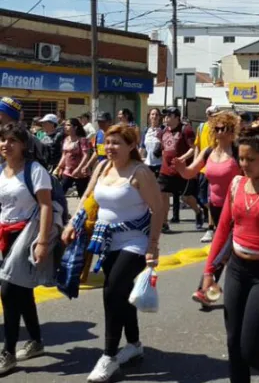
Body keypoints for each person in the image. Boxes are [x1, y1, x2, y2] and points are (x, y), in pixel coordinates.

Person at [61, 125, 164, 382]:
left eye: (117, 143)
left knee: (111, 291)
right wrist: (73, 222)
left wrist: (152, 245)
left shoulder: (140, 172)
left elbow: (159, 208)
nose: (110, 148)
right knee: (122, 294)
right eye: (108, 142)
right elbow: (87, 196)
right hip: (106, 242)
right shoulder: (103, 166)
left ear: (131, 146)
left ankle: (108, 356)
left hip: (135, 242)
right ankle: (134, 344)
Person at [202, 124, 259, 383]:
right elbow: (222, 230)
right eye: (241, 158)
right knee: (234, 345)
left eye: (250, 159)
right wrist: (209, 271)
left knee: (250, 349)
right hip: (236, 269)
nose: (244, 164)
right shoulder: (236, 184)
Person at [0, 124, 60, 375]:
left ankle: (9, 353)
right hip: (5, 236)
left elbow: (46, 206)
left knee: (8, 290)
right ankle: (36, 341)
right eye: (2, 140)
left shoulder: (35, 171)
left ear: (24, 145)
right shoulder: (2, 171)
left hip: (28, 236)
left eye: (12, 140)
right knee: (22, 292)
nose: (6, 144)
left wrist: (43, 242)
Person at [174, 111, 241, 305]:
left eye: (225, 129)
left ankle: (204, 290)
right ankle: (215, 289)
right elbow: (189, 173)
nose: (220, 132)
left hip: (236, 209)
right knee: (228, 253)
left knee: (221, 251)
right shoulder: (209, 152)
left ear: (232, 131)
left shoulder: (238, 152)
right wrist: (179, 167)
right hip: (215, 208)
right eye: (217, 128)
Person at [157, 107, 204, 232]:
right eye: (165, 116)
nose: (166, 119)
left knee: (186, 197)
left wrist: (182, 159)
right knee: (163, 195)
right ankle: (164, 223)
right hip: (166, 170)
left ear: (177, 117)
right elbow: (163, 149)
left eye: (169, 116)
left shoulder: (186, 130)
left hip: (182, 170)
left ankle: (198, 212)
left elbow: (193, 148)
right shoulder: (163, 132)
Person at [193, 105, 222, 242]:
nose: (215, 118)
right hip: (203, 169)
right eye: (212, 115)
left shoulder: (221, 129)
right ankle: (215, 217)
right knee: (201, 197)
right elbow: (197, 148)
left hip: (215, 168)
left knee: (211, 198)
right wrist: (194, 166)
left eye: (217, 115)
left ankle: (211, 227)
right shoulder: (201, 128)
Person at [54, 118, 91, 197]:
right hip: (67, 171)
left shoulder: (82, 140)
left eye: (68, 125)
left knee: (83, 195)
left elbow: (86, 155)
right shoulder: (66, 139)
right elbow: (64, 155)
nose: (65, 127)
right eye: (65, 125)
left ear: (75, 127)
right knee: (60, 193)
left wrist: (78, 169)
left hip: (80, 173)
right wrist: (59, 167)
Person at [139, 108, 164, 177]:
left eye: (157, 114)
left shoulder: (163, 130)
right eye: (152, 114)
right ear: (149, 116)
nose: (154, 116)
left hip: (160, 165)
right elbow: (142, 147)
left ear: (159, 117)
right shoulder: (146, 130)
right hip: (148, 165)